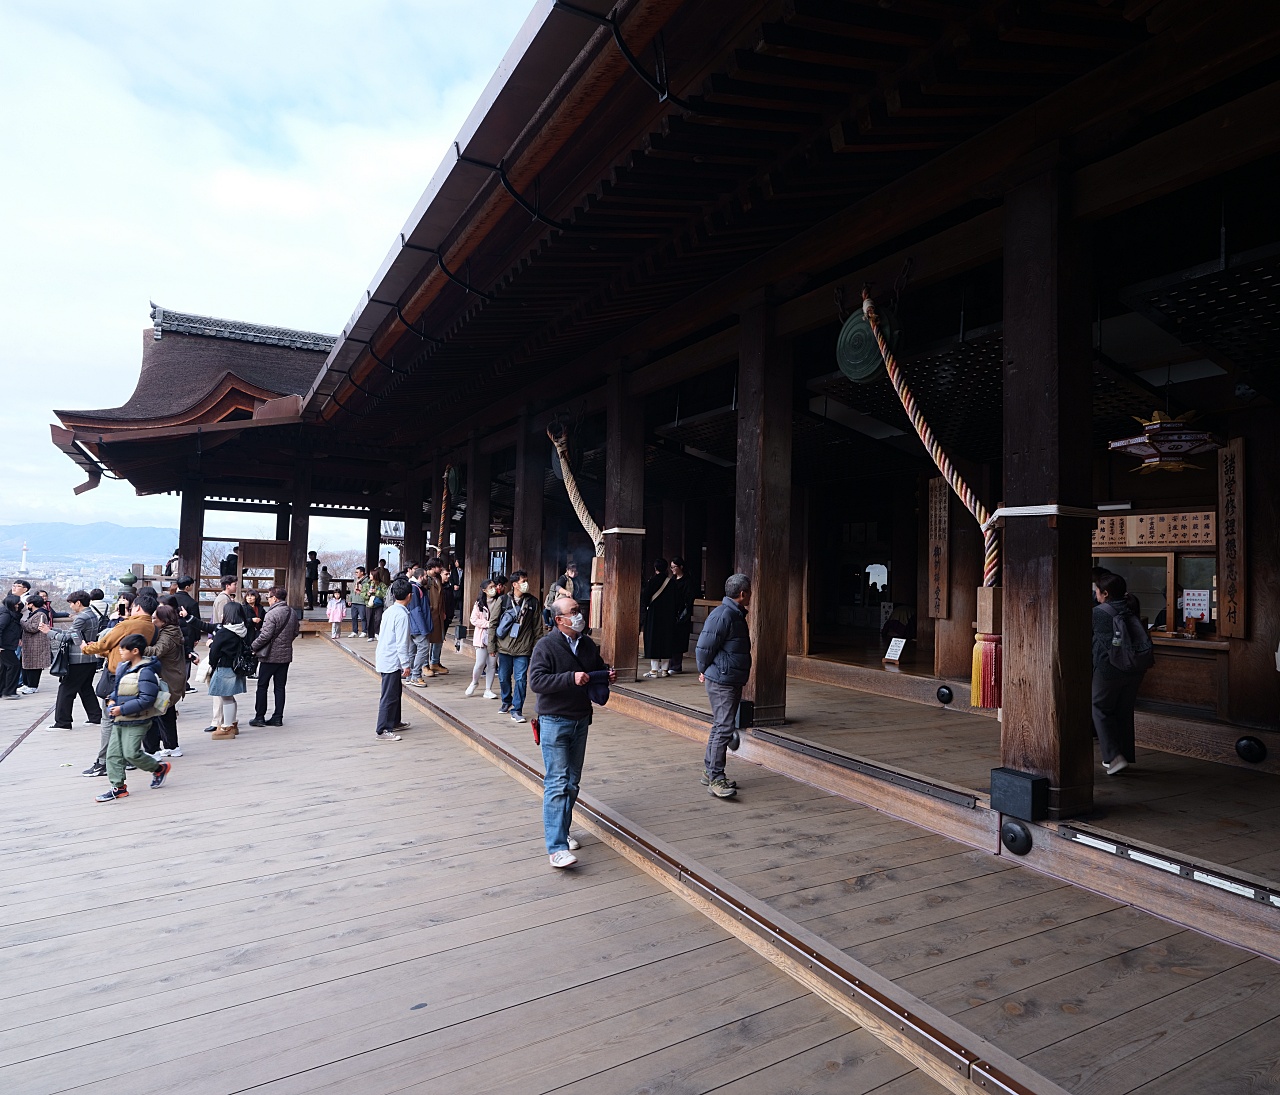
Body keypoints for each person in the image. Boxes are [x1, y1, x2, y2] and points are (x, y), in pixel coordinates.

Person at [529, 595, 616, 868]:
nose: (580, 615)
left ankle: (563, 832)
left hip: (580, 719)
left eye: (579, 610)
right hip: (554, 720)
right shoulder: (546, 645)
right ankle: (556, 848)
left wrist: (605, 674)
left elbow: (595, 669)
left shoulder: (587, 644)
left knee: (572, 781)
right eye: (574, 612)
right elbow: (537, 681)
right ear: (559, 620)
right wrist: (571, 678)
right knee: (556, 781)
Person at [80, 590, 159, 778]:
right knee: (129, 718)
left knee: (108, 719)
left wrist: (86, 648)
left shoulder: (127, 624)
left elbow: (105, 643)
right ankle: (128, 758)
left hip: (117, 675)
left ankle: (103, 762)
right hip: (137, 673)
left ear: (138, 607)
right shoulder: (153, 627)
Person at [695, 574, 753, 800]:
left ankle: (709, 771)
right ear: (742, 594)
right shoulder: (723, 615)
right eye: (749, 592)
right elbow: (703, 648)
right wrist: (703, 670)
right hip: (722, 680)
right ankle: (716, 777)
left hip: (727, 678)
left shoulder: (733, 613)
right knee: (724, 727)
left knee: (720, 726)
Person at [94, 633, 171, 802]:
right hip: (120, 718)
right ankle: (118, 787)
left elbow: (147, 699)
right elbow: (119, 689)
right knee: (113, 755)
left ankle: (158, 768)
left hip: (138, 719)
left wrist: (121, 709)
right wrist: (112, 699)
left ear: (135, 651)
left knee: (131, 754)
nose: (120, 652)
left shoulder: (146, 671)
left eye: (123, 649)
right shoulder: (123, 667)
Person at [1092, 572, 1149, 776]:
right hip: (1135, 668)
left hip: (1109, 668)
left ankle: (1113, 757)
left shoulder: (1099, 612)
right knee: (1123, 711)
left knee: (1099, 707)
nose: (1095, 594)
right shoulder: (1130, 607)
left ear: (1105, 593)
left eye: (1097, 591)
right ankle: (1123, 754)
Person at [47, 591, 103, 730]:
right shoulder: (92, 614)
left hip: (78, 659)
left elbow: (68, 638)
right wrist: (52, 629)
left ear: (78, 602)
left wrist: (48, 633)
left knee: (66, 689)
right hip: (90, 658)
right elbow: (74, 633)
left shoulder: (81, 617)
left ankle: (63, 722)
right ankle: (95, 716)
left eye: (71, 603)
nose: (71, 606)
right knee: (85, 688)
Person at [492, 569, 542, 723]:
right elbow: (493, 623)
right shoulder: (503, 601)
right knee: (503, 677)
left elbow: (538, 627)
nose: (526, 584)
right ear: (514, 584)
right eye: (523, 581)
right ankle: (507, 700)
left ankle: (517, 709)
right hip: (504, 647)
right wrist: (491, 647)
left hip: (524, 648)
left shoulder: (533, 602)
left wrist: (537, 649)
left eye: (526, 581)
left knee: (521, 679)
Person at [249, 586, 299, 726]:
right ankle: (278, 717)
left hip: (269, 656)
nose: (268, 600)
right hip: (285, 655)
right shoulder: (292, 612)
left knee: (262, 685)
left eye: (269, 597)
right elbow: (295, 632)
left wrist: (253, 646)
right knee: (280, 687)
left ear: (275, 598)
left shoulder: (272, 614)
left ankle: (259, 717)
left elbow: (265, 635)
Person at [143, 604, 188, 756]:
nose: (152, 621)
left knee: (159, 711)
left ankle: (157, 748)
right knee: (166, 712)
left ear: (163, 621)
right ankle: (172, 746)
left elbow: (156, 652)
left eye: (155, 618)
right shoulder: (173, 631)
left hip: (169, 678)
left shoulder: (167, 636)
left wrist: (137, 646)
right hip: (174, 676)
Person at [374, 578, 414, 740]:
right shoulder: (402, 616)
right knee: (389, 695)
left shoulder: (389, 611)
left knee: (395, 692)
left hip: (385, 654)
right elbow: (402, 642)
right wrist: (406, 664)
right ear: (409, 596)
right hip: (392, 659)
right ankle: (382, 729)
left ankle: (394, 721)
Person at [207, 601, 251, 738]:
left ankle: (227, 726)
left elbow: (214, 652)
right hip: (236, 667)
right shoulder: (243, 630)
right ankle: (232, 722)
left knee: (225, 697)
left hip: (224, 667)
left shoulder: (224, 632)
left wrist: (211, 661)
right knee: (229, 697)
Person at [640, 557, 679, 678]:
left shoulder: (652, 581)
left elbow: (645, 598)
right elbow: (677, 600)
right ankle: (665, 670)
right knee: (666, 640)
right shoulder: (671, 582)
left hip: (654, 616)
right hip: (668, 616)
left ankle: (654, 670)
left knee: (653, 640)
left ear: (655, 568)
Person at [465, 577, 500, 698]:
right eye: (491, 587)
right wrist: (488, 624)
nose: (493, 589)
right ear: (484, 590)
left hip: (495, 638)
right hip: (481, 637)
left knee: (492, 665)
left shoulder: (499, 601)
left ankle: (488, 689)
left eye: (494, 587)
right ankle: (474, 682)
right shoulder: (479, 604)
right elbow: (473, 619)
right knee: (480, 663)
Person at [18, 594, 53, 693]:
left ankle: (33, 686)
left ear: (31, 604)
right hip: (31, 643)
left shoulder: (40, 614)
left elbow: (33, 628)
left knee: (35, 665)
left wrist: (21, 622)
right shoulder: (35, 613)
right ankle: (27, 684)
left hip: (37, 644)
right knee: (27, 664)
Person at [667, 557, 696, 674]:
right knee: (671, 639)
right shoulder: (672, 580)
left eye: (674, 567)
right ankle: (670, 664)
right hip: (672, 613)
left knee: (679, 640)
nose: (672, 569)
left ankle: (676, 666)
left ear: (681, 567)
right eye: (671, 567)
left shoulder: (688, 581)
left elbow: (689, 599)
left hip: (682, 614)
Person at [405, 567, 432, 687]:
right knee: (424, 648)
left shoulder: (414, 588)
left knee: (412, 651)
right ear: (420, 577)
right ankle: (415, 675)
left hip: (411, 625)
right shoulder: (415, 589)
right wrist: (424, 629)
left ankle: (410, 675)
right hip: (417, 626)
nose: (427, 578)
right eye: (426, 576)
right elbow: (416, 610)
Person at [424, 558, 448, 675]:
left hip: (438, 613)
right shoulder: (425, 579)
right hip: (428, 613)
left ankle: (435, 662)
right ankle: (424, 665)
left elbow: (441, 597)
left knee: (439, 638)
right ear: (433, 567)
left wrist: (443, 610)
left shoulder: (438, 578)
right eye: (439, 567)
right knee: (426, 640)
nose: (440, 569)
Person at [0, 595, 23, 699]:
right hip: (4, 646)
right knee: (14, 665)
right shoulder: (6, 615)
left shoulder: (10, 613)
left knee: (4, 667)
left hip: (7, 644)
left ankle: (4, 690)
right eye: (17, 603)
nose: (19, 604)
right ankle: (9, 692)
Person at [366, 570, 389, 643]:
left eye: (371, 575)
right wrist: (367, 594)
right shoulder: (367, 584)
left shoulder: (382, 585)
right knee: (369, 620)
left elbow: (385, 594)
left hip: (379, 604)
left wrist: (376, 592)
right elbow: (362, 594)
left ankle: (377, 632)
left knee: (378, 619)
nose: (369, 576)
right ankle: (370, 635)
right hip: (369, 604)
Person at [349, 566, 370, 638]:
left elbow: (366, 590)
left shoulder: (367, 581)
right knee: (354, 617)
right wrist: (350, 599)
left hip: (362, 601)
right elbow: (352, 590)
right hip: (354, 601)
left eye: (357, 572)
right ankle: (354, 631)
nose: (356, 573)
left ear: (362, 572)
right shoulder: (355, 580)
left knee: (363, 617)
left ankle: (364, 631)